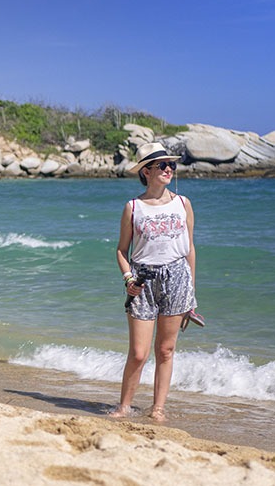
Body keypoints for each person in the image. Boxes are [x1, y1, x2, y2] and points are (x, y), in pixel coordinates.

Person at [110, 142, 197, 422]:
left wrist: (191, 294)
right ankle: (124, 406)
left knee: (165, 350)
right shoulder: (133, 207)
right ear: (146, 172)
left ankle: (158, 408)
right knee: (138, 352)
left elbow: (190, 248)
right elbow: (121, 251)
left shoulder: (183, 203)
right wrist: (128, 279)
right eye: (162, 165)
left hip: (177, 278)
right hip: (143, 281)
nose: (169, 169)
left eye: (171, 164)